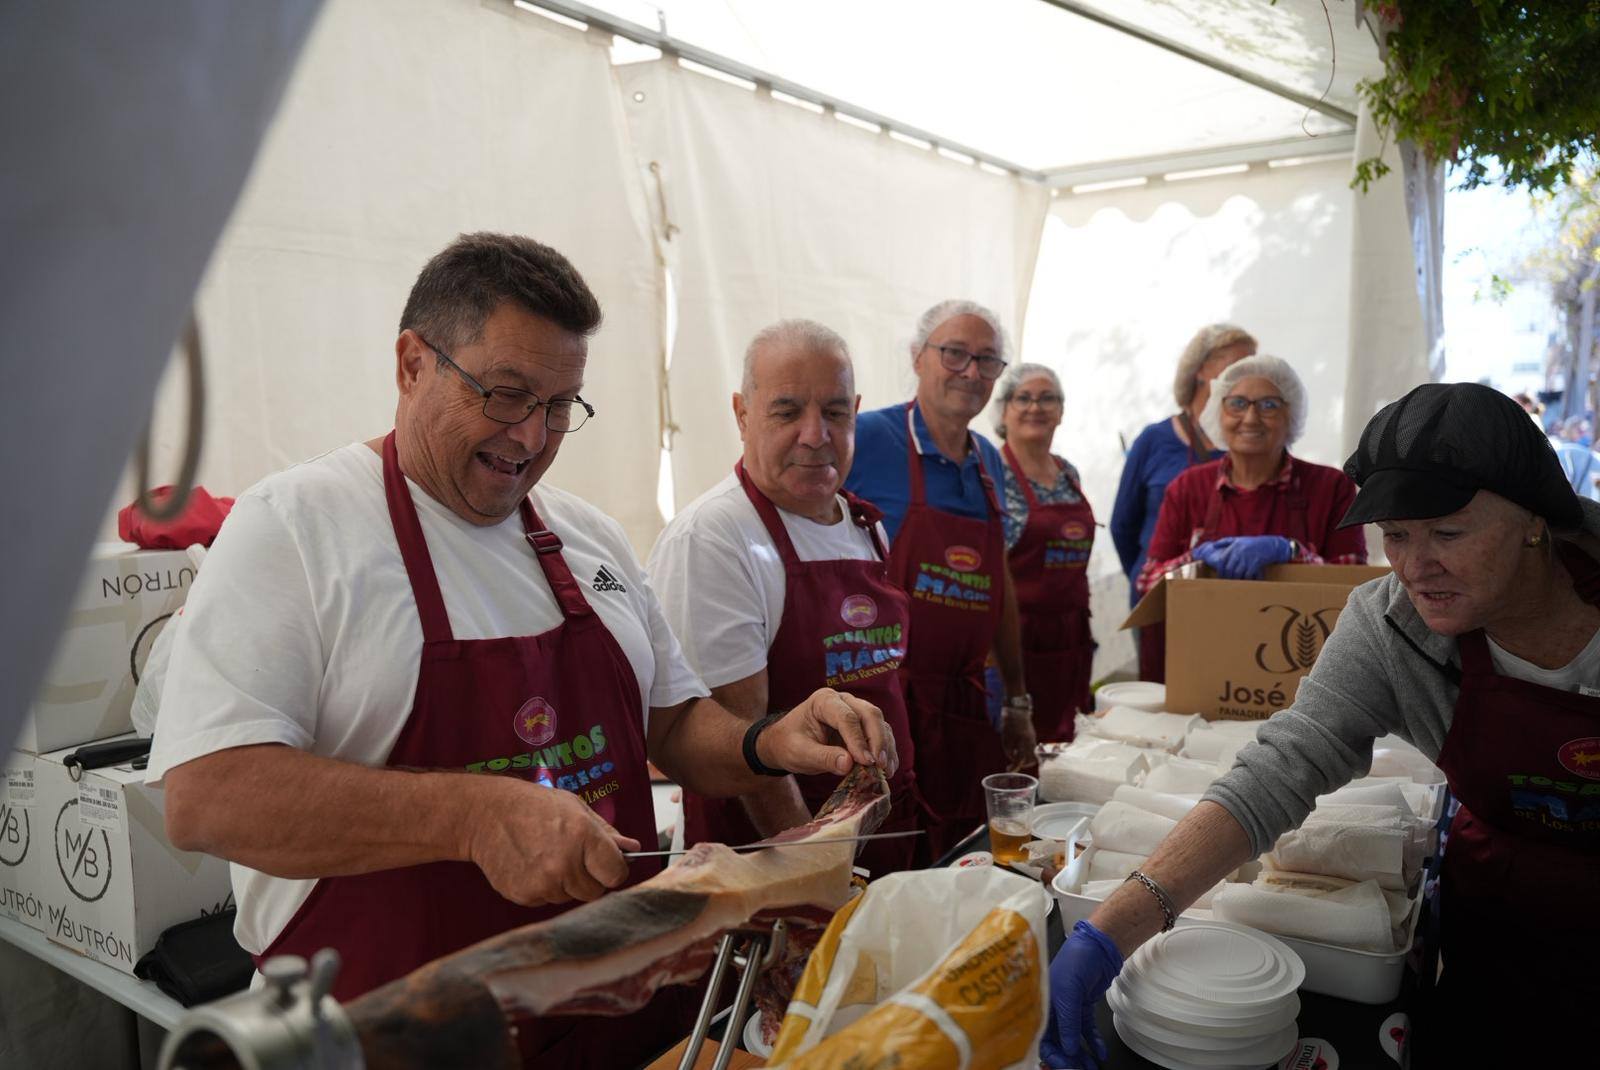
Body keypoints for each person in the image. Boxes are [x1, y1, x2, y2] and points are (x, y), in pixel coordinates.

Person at [147, 234, 894, 1066]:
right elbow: (206, 795)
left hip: (611, 1021)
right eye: (506, 396)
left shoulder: (588, 536)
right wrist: (473, 816)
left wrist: (768, 742)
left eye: (561, 405)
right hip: (393, 1035)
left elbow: (676, 725)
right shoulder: (295, 528)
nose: (532, 435)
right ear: (412, 364)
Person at [1044, 383, 1600, 1066]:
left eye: (1448, 533)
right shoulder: (1390, 623)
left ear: (1535, 520)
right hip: (1498, 921)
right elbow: (1280, 769)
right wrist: (1109, 932)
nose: (1415, 567)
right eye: (1396, 535)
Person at [648, 320, 919, 875]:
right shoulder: (717, 538)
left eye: (835, 412)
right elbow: (742, 747)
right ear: (742, 414)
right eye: (787, 411)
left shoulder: (864, 525)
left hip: (880, 829)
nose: (815, 435)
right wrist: (819, 871)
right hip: (775, 860)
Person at [845, 299, 1036, 859]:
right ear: (917, 358)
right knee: (885, 860)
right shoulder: (865, 438)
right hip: (882, 703)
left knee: (962, 858)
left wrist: (1017, 701)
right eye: (954, 353)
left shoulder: (990, 461)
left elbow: (998, 582)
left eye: (987, 360)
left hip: (963, 707)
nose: (970, 372)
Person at [1134, 355, 1367, 681]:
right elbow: (1147, 585)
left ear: (1291, 415)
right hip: (1203, 670)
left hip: (1298, 678)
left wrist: (1290, 552)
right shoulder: (1187, 488)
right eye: (1237, 404)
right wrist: (1196, 559)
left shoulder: (1330, 488)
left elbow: (1354, 590)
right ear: (1218, 412)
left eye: (1269, 405)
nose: (1251, 417)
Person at [1110, 324, 1256, 607]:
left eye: (1253, 367)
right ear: (1200, 370)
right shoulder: (1154, 440)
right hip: (1162, 596)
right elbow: (1122, 526)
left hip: (1234, 596)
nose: (1248, 376)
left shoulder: (1258, 442)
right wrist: (1146, 577)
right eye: (1237, 366)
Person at [991, 362, 1095, 742]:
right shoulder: (992, 472)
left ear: (1061, 411)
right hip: (1017, 641)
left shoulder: (1068, 473)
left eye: (1047, 399)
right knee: (1019, 749)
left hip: (1071, 635)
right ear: (1004, 411)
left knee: (1067, 744)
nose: (1035, 407)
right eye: (1024, 398)